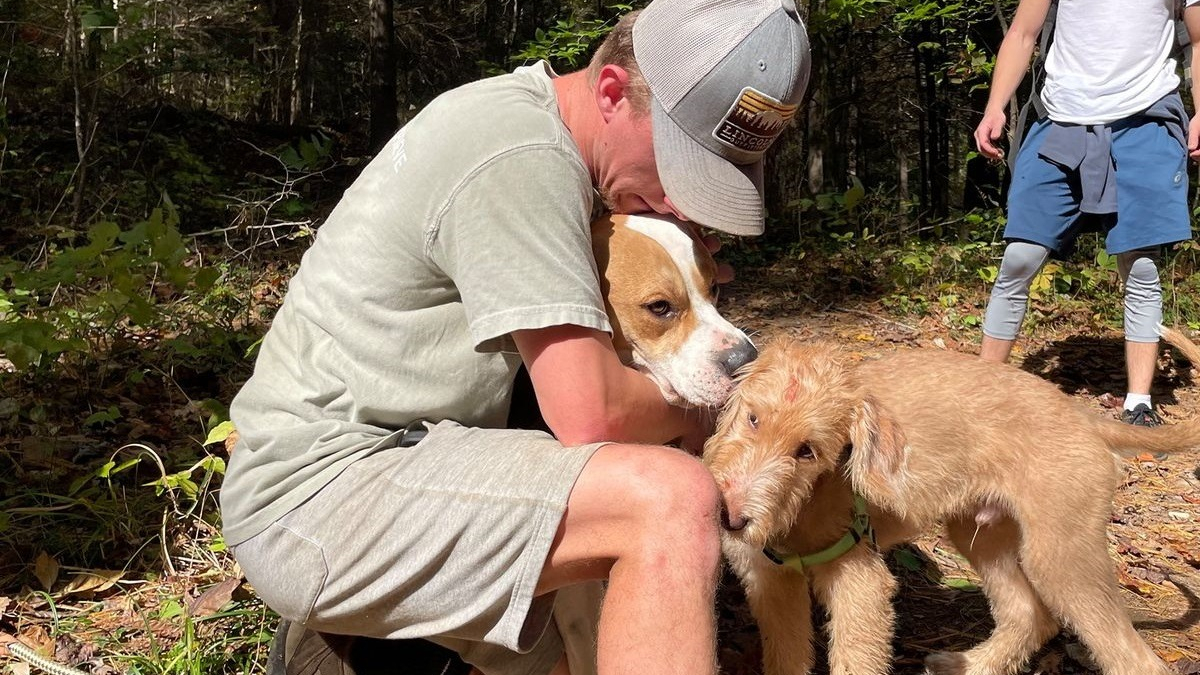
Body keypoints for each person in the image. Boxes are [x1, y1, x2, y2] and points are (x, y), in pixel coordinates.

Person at [218, 0, 812, 674]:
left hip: (404, 467)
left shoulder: (532, 137)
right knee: (667, 499)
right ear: (612, 94)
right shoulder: (523, 155)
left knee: (589, 638)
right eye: (677, 166)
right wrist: (715, 406)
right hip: (328, 494)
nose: (683, 204)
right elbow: (593, 412)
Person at [974, 0, 1200, 426]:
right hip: (1060, 118)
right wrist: (995, 106)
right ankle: (983, 393)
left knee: (1142, 266)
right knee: (1019, 258)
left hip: (1146, 117)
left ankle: (1138, 403)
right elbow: (1023, 33)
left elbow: (1198, 40)